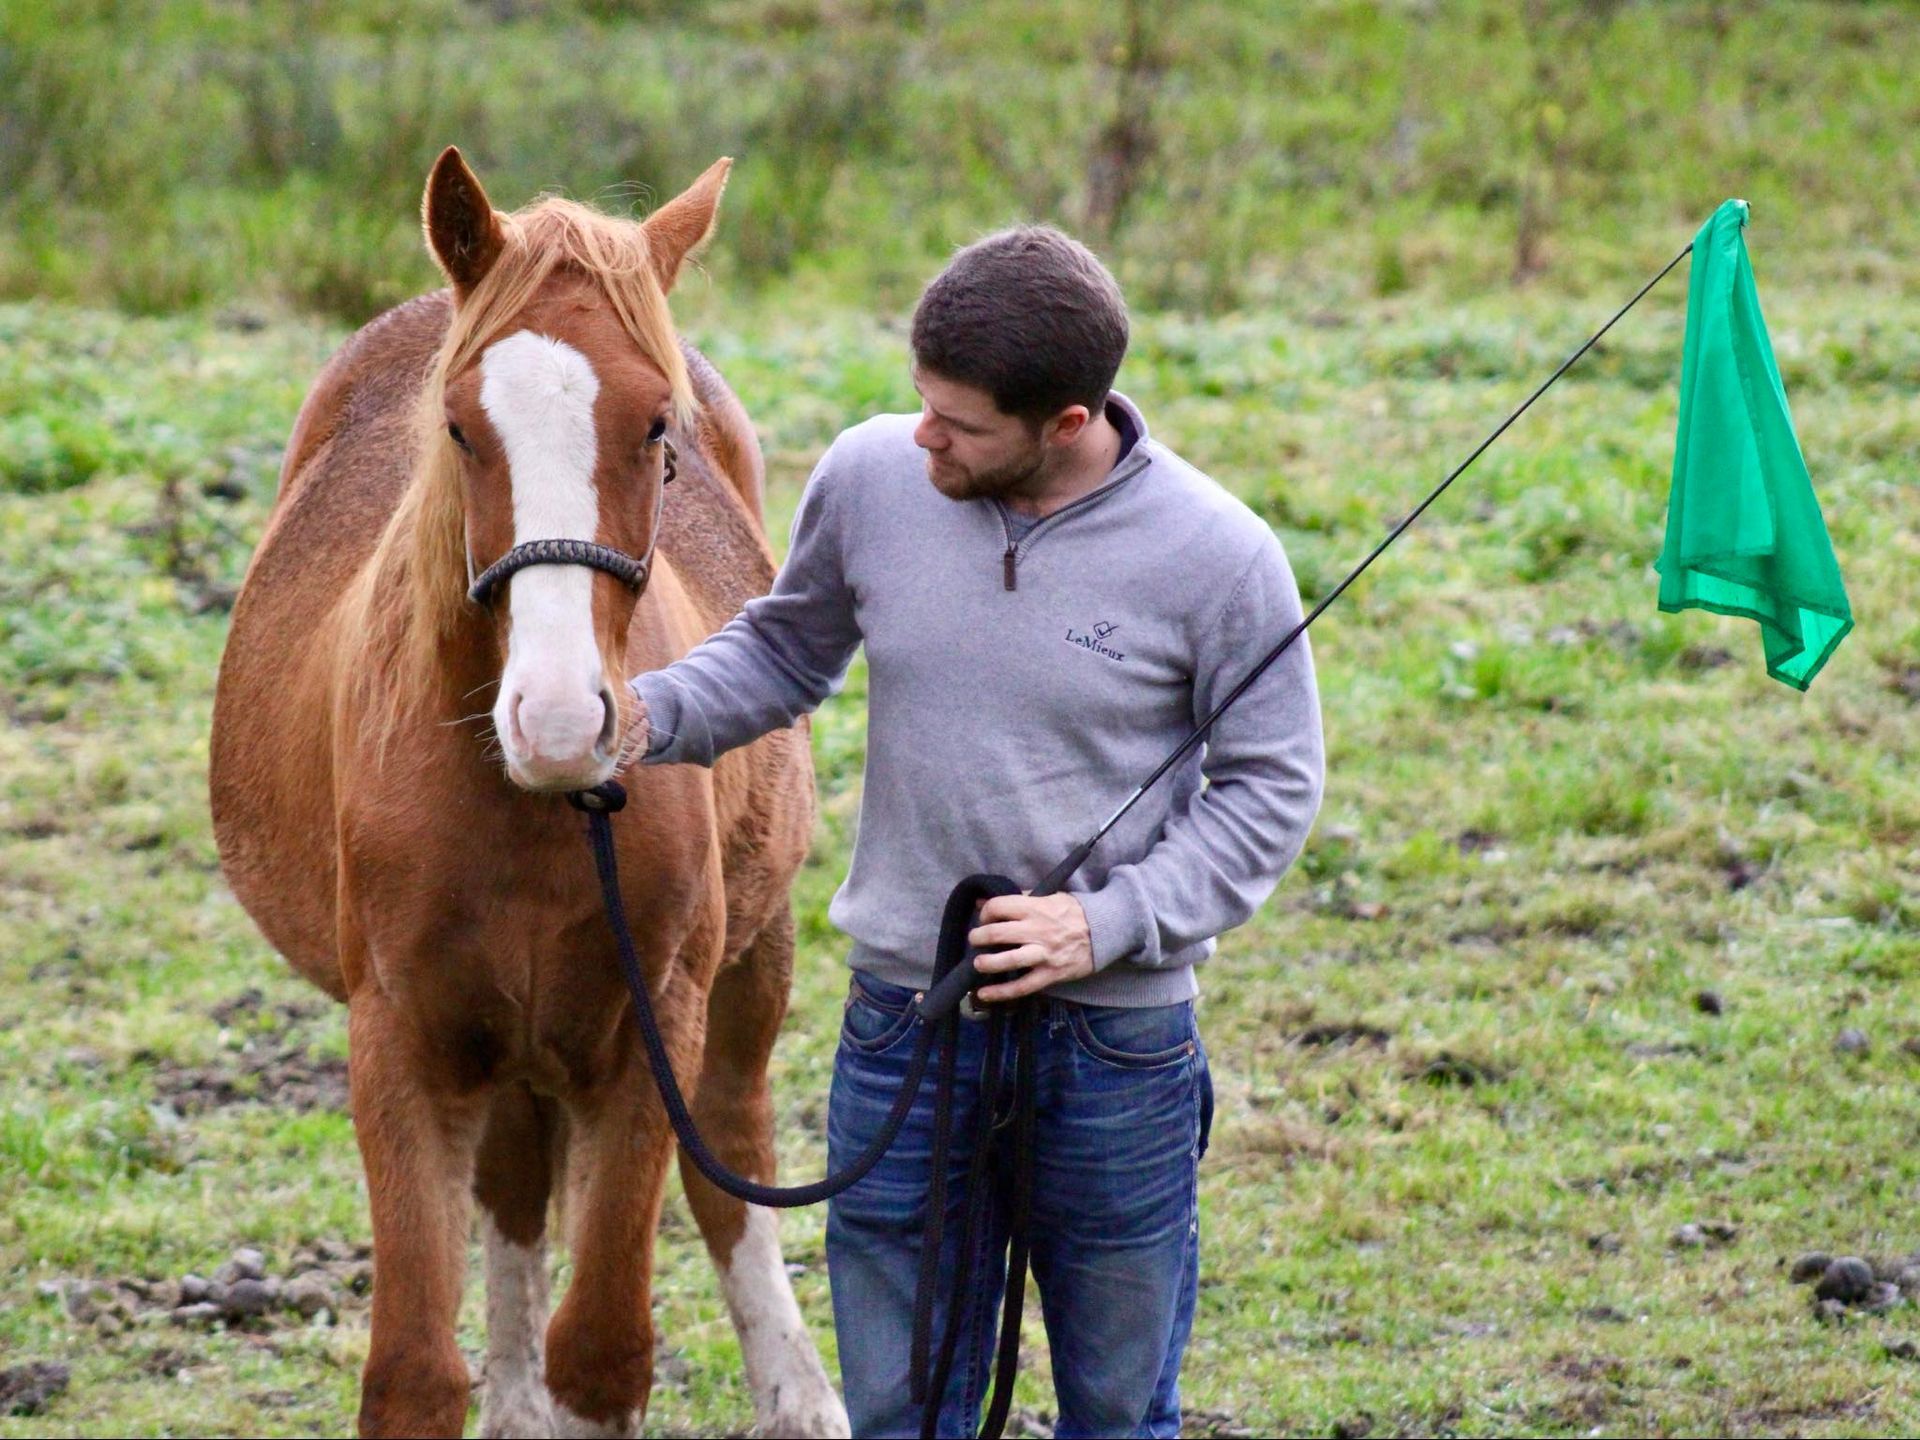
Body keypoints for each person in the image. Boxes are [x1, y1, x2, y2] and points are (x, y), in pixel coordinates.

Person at [626, 225, 1324, 1439]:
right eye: (921, 404)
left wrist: (1105, 925)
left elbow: (1271, 786)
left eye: (960, 425)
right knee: (903, 1413)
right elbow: (786, 650)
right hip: (908, 1026)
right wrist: (637, 718)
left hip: (1116, 1052)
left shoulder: (1219, 556)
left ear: (1067, 422)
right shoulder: (870, 477)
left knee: (1120, 1412)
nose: (924, 440)